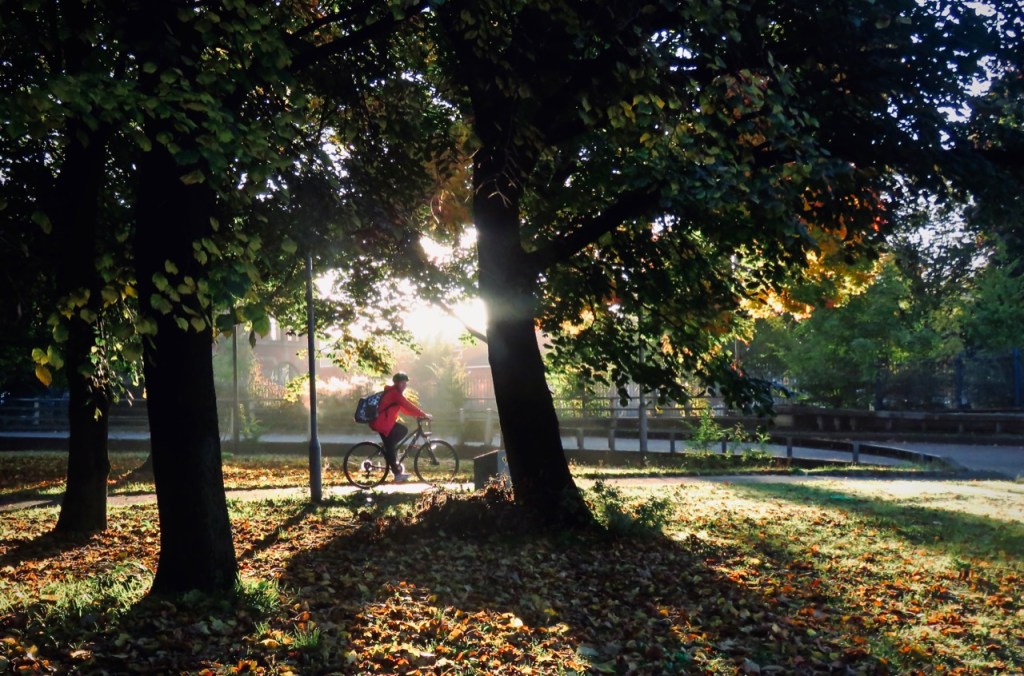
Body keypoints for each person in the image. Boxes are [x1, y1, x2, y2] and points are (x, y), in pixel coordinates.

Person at [369, 372, 431, 482]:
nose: (404, 385)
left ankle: (389, 450)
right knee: (392, 446)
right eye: (402, 383)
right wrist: (423, 414)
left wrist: (417, 415)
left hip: (385, 422)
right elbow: (407, 405)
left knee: (401, 432)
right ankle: (397, 475)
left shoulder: (394, 393)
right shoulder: (394, 394)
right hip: (382, 424)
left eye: (405, 383)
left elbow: (404, 409)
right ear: (396, 383)